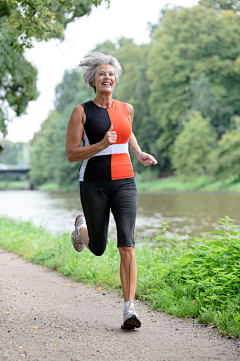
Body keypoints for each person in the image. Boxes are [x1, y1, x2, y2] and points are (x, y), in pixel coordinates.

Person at [66, 52, 157, 329]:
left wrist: (138, 153)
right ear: (93, 81)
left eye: (111, 73)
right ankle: (81, 226)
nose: (108, 77)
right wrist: (100, 145)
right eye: (102, 74)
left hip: (125, 182)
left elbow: (127, 131)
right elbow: (71, 154)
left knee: (127, 244)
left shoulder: (126, 108)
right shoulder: (82, 112)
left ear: (116, 79)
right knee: (98, 247)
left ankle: (130, 308)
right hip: (93, 183)